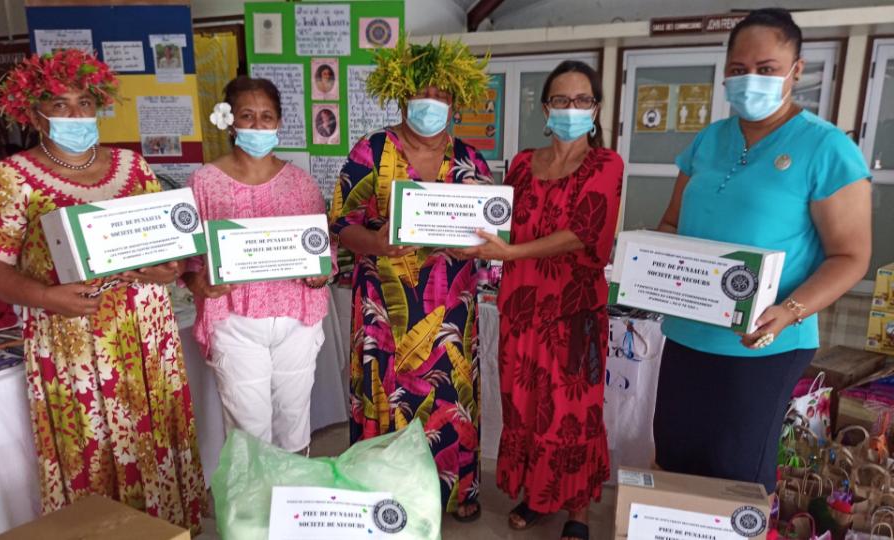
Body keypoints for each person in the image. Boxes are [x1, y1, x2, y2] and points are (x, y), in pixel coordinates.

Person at [0, 49, 205, 532]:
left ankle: (167, 531)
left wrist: (171, 268)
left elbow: (164, 239)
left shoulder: (133, 167)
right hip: (74, 340)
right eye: (59, 105)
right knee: (94, 444)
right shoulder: (9, 179)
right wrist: (45, 296)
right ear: (33, 114)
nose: (75, 115)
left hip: (148, 333)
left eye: (84, 103)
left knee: (156, 435)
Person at [653, 8, 871, 497]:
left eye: (767, 68)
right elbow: (672, 223)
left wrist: (788, 312)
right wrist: (646, 267)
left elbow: (850, 256)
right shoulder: (709, 140)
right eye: (738, 69)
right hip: (687, 332)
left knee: (734, 472)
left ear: (796, 70)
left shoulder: (826, 149)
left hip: (762, 343)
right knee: (674, 454)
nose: (750, 79)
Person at [458, 60, 622, 540]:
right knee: (525, 408)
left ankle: (577, 510)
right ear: (545, 108)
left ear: (595, 109)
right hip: (522, 311)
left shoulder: (606, 164)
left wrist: (511, 251)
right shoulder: (523, 164)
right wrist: (461, 210)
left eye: (581, 100)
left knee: (573, 414)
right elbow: (501, 217)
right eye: (561, 100)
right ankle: (537, 494)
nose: (571, 109)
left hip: (573, 315)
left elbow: (585, 233)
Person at [330, 36, 491, 521]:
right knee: (385, 396)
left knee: (450, 399)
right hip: (385, 308)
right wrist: (376, 242)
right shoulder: (373, 150)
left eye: (443, 95)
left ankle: (455, 494)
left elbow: (491, 228)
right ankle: (383, 499)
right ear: (402, 95)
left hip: (450, 312)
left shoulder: (471, 161)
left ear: (456, 102)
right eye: (423, 93)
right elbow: (339, 222)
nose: (432, 104)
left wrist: (481, 244)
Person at [183, 76, 331, 452]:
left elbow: (320, 258)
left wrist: (318, 277)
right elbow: (188, 261)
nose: (258, 125)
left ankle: (291, 504)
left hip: (296, 318)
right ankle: (254, 508)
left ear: (279, 123)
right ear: (230, 122)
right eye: (247, 116)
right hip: (235, 318)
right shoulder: (203, 183)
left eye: (267, 116)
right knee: (249, 431)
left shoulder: (302, 184)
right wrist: (201, 285)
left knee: (294, 421)